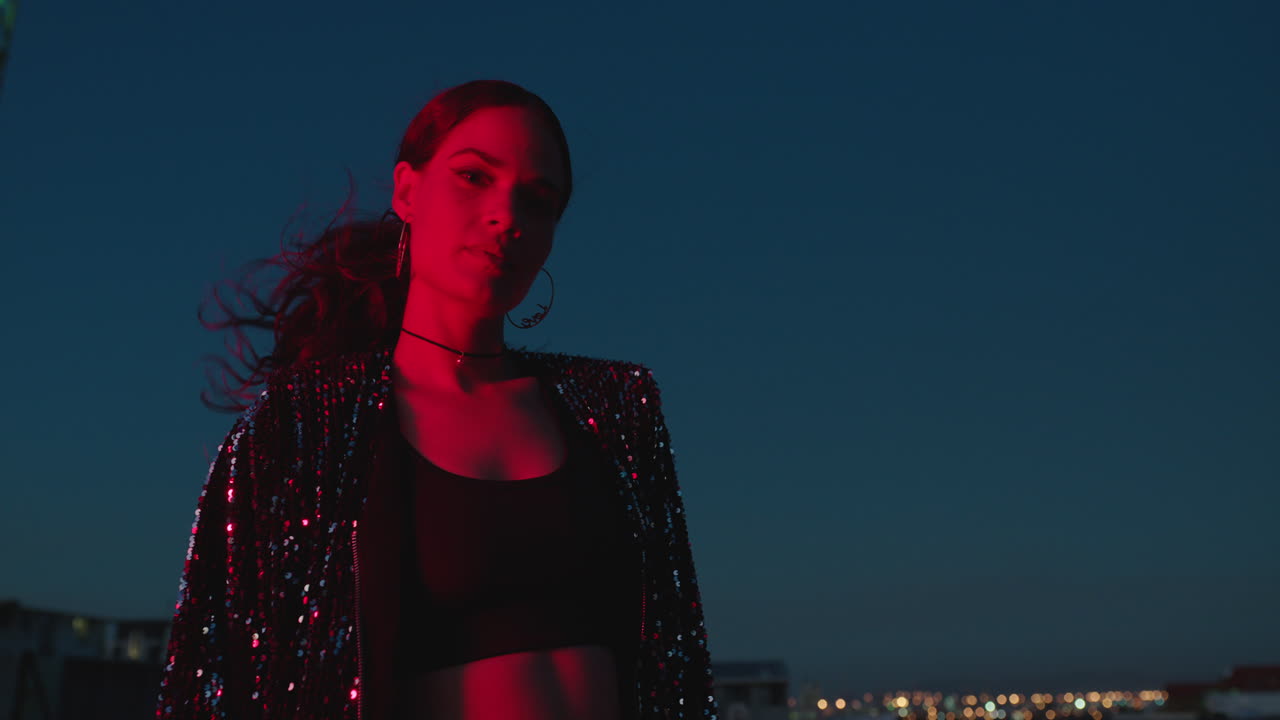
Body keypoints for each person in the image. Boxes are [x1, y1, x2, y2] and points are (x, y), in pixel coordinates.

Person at [153, 79, 719, 720]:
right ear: (408, 190)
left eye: (538, 200)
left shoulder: (618, 407)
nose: (507, 215)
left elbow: (677, 653)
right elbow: (216, 675)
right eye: (475, 177)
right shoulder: (303, 424)